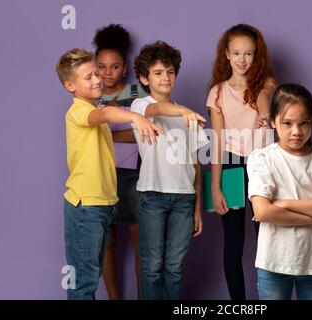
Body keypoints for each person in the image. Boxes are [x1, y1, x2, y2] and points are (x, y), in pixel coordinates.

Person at [55, 48, 163, 299]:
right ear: (70, 85)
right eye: (88, 77)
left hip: (102, 203)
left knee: (89, 277)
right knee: (84, 282)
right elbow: (104, 114)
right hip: (86, 206)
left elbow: (106, 112)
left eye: (96, 74)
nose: (97, 79)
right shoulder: (80, 111)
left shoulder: (94, 106)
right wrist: (135, 117)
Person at [247, 83, 312, 300]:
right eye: (287, 123)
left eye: (304, 123)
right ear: (273, 121)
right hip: (273, 261)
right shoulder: (262, 159)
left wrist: (282, 204)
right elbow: (262, 212)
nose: (296, 131)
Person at [131, 41, 208, 299]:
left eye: (170, 71)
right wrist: (182, 110)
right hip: (152, 196)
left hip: (184, 200)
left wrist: (197, 208)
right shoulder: (141, 108)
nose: (166, 77)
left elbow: (196, 165)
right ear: (144, 78)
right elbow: (158, 108)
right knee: (152, 267)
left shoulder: (189, 118)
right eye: (158, 72)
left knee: (174, 267)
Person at [206, 23, 276, 300]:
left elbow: (264, 98)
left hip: (262, 164)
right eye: (236, 53)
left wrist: (264, 114)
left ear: (256, 55)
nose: (242, 60)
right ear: (226, 54)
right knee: (233, 244)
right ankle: (239, 303)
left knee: (268, 240)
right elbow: (217, 141)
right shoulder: (218, 92)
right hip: (231, 166)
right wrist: (215, 186)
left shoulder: (265, 83)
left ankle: (269, 297)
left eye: (248, 53)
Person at [93, 23, 147, 300]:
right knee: (107, 243)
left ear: (124, 68)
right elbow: (88, 134)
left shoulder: (138, 93)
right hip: (101, 175)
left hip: (135, 176)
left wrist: (109, 129)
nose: (107, 72)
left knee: (142, 245)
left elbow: (143, 133)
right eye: (101, 66)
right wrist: (121, 128)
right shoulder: (91, 96)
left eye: (113, 67)